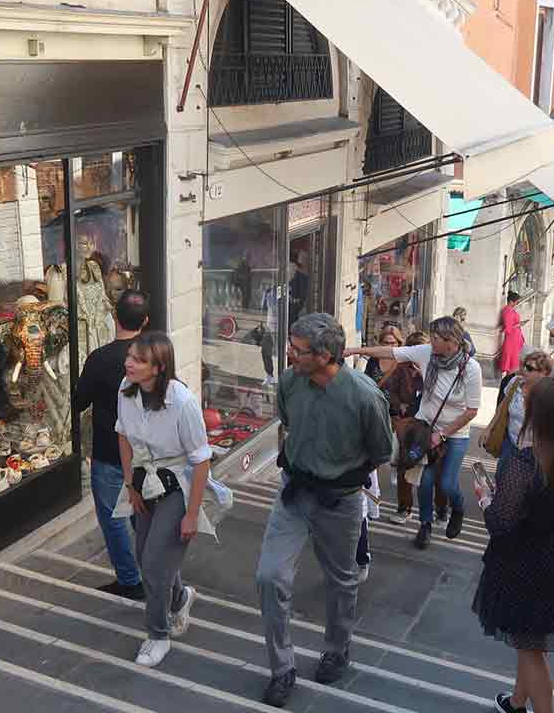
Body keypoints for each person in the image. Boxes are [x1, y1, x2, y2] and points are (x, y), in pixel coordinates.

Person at [257, 313, 393, 707]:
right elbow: (288, 421)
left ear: (325, 356)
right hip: (295, 493)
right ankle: (282, 669)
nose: (289, 354)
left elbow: (384, 451)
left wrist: (342, 475)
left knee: (342, 581)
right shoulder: (290, 382)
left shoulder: (365, 397)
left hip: (342, 500)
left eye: (297, 350)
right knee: (270, 576)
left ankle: (337, 648)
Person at [471, 378, 554, 713]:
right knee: (529, 641)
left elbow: (500, 523)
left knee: (530, 650)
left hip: (522, 564)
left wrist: (486, 500)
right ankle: (515, 702)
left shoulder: (524, 464)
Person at [115, 332, 231, 667]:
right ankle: (180, 597)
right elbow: (122, 434)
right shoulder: (126, 388)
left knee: (153, 563)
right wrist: (129, 485)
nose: (128, 363)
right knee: (145, 554)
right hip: (143, 481)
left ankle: (158, 635)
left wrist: (192, 514)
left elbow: (201, 460)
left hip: (177, 487)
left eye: (138, 359)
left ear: (158, 367)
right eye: (130, 356)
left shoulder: (182, 402)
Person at [348, 317, 482, 548]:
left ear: (450, 341)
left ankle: (457, 508)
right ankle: (425, 525)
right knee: (425, 481)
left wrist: (442, 435)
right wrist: (354, 349)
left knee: (448, 483)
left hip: (455, 433)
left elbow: (471, 411)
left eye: (435, 338)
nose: (431, 341)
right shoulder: (427, 352)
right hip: (424, 428)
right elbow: (391, 351)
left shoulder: (471, 368)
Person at [72, 289, 150, 600]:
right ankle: (153, 572)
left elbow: (79, 402)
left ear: (114, 317)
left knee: (113, 518)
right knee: (143, 515)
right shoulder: (153, 357)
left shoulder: (100, 358)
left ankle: (130, 580)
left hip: (108, 451)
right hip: (145, 452)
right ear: (145, 321)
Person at [380, 332, 440, 525]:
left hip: (430, 426)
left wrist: (422, 375)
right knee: (405, 466)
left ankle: (440, 509)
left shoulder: (435, 370)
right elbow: (388, 391)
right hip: (406, 425)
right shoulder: (400, 370)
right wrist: (399, 405)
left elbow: (439, 396)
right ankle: (404, 508)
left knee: (431, 471)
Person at [495, 350, 554, 466]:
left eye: (530, 368)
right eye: (524, 366)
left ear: (543, 373)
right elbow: (503, 406)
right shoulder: (515, 383)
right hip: (510, 443)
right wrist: (489, 429)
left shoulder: (549, 394)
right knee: (501, 477)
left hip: (534, 452)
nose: (524, 370)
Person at [498, 292, 526, 375]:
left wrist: (519, 324)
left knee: (514, 360)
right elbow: (508, 328)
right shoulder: (507, 311)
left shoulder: (510, 310)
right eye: (517, 302)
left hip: (514, 339)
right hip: (512, 339)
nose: (517, 303)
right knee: (512, 361)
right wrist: (519, 324)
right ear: (511, 301)